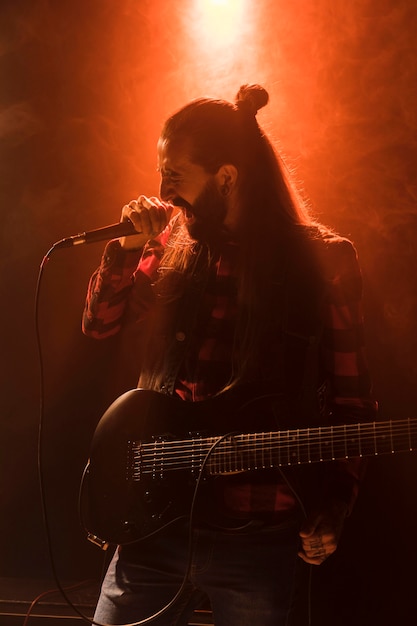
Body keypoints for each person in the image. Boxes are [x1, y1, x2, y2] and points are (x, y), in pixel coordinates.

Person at [82, 84, 377, 626]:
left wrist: (336, 504)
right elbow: (100, 326)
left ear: (225, 178)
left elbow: (351, 402)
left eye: (174, 175)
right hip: (155, 523)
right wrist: (124, 249)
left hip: (257, 535)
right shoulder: (170, 246)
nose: (163, 192)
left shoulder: (325, 262)